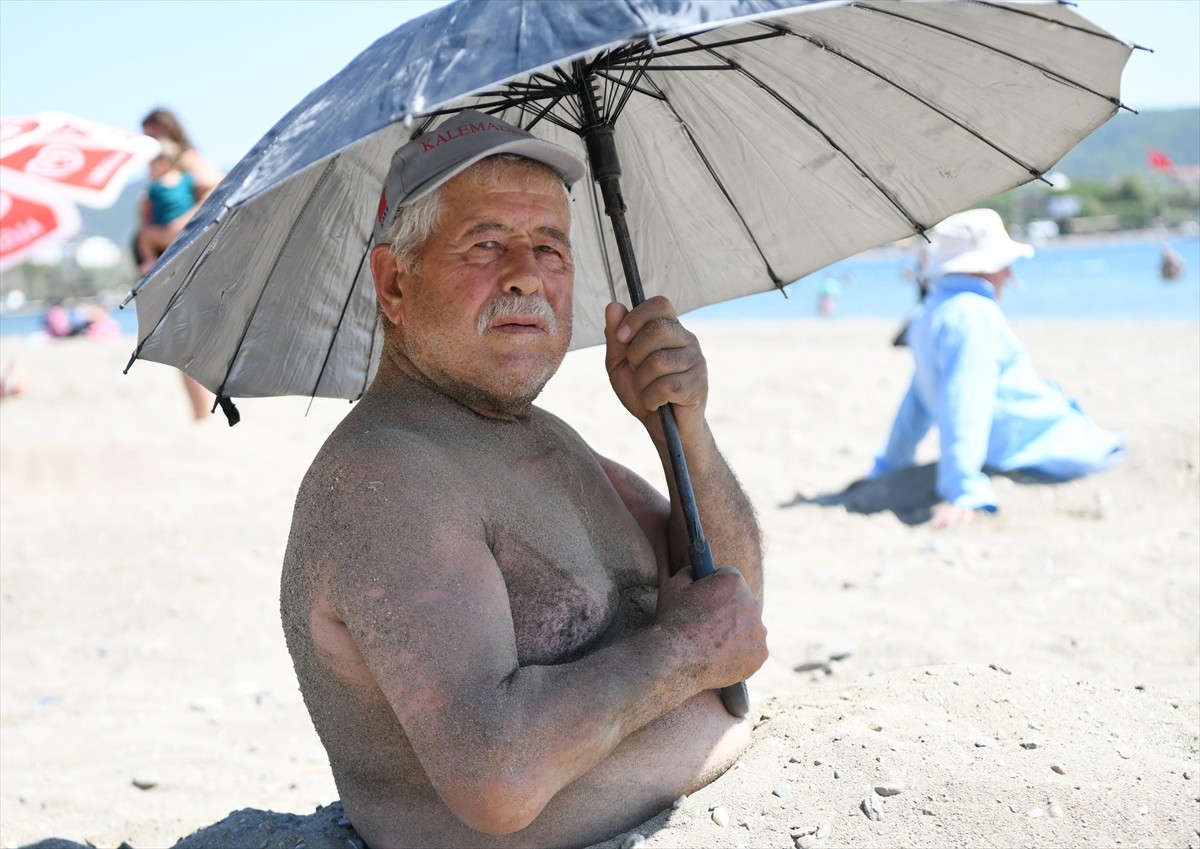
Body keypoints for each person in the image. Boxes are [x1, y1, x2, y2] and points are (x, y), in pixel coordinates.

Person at [281, 110, 767, 849]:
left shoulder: (541, 439)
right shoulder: (383, 475)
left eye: (550, 247)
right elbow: (495, 775)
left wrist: (683, 430)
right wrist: (685, 652)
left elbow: (732, 596)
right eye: (486, 244)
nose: (526, 275)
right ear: (394, 283)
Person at [867, 208, 1124, 529]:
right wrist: (963, 489)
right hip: (1044, 445)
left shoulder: (927, 314)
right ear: (985, 268)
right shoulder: (975, 316)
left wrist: (890, 464)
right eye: (1005, 265)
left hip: (1011, 443)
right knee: (1107, 449)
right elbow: (966, 401)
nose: (1010, 276)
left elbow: (918, 398)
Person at [136, 108, 225, 420]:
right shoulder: (159, 168)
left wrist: (179, 225)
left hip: (186, 256)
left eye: (152, 134)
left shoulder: (185, 159)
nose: (148, 141)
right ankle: (201, 413)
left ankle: (203, 413)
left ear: (166, 131)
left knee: (186, 336)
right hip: (170, 258)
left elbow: (220, 188)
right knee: (184, 336)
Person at [135, 139, 196, 276]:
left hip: (165, 231)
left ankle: (149, 261)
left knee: (144, 233)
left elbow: (145, 214)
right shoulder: (187, 179)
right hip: (189, 227)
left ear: (163, 163)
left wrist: (142, 207)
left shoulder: (155, 186)